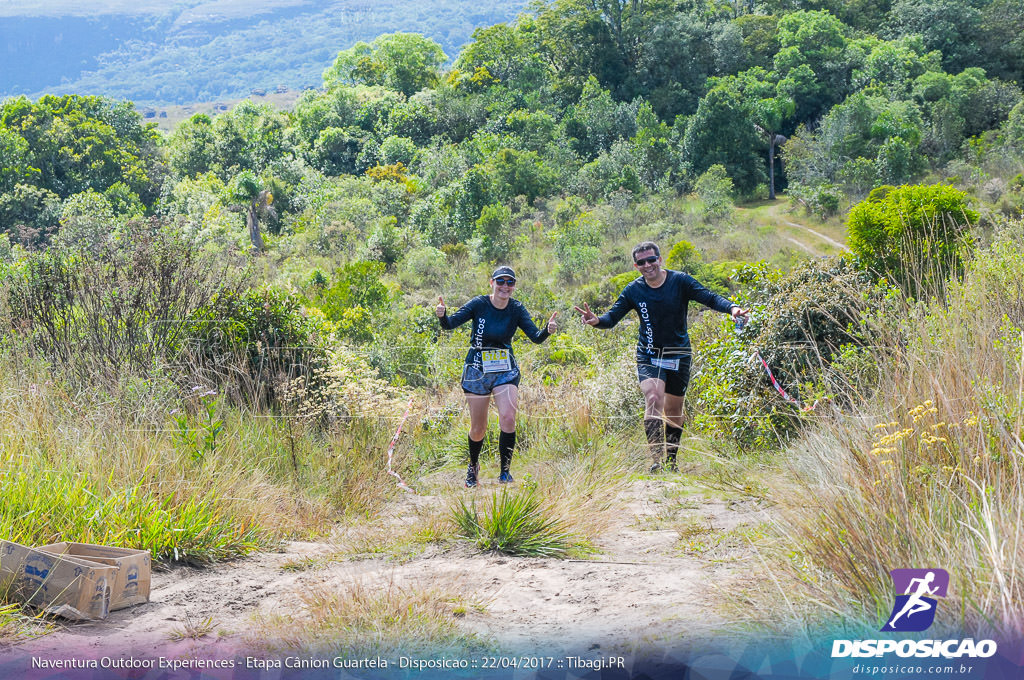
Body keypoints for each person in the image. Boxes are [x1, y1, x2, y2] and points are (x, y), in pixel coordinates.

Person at [574, 242, 749, 472]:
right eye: (642, 262)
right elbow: (612, 318)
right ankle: (656, 461)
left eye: (651, 259)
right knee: (654, 398)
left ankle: (671, 460)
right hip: (649, 354)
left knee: (675, 410)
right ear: (636, 266)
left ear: (660, 259)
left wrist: (732, 308)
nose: (648, 265)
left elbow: (709, 298)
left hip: (679, 353)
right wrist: (597, 321)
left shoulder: (680, 281)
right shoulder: (633, 290)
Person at [436, 266, 557, 487]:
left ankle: (505, 471)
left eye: (510, 282)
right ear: (491, 283)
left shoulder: (517, 309)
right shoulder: (479, 304)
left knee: (508, 418)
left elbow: (536, 337)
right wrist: (443, 316)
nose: (505, 286)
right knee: (478, 427)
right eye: (500, 281)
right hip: (477, 369)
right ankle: (473, 468)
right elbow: (450, 324)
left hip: (504, 369)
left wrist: (548, 330)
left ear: (514, 286)